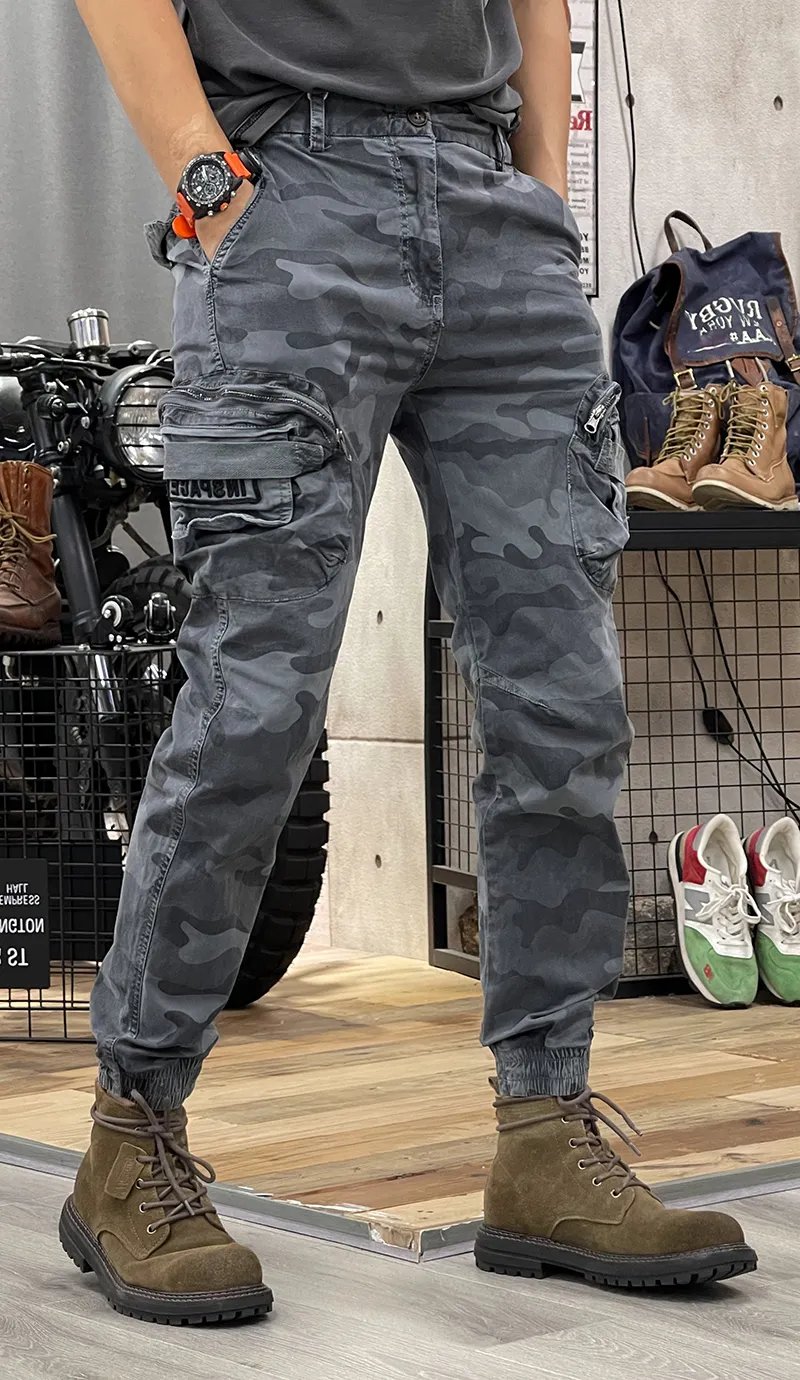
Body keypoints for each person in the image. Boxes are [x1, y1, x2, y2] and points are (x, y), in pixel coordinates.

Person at [59, 0, 756, 1324]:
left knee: (565, 707)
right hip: (287, 195)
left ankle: (545, 1136)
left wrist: (540, 193)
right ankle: (129, 1135)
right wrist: (207, 179)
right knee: (255, 710)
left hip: (493, 211)